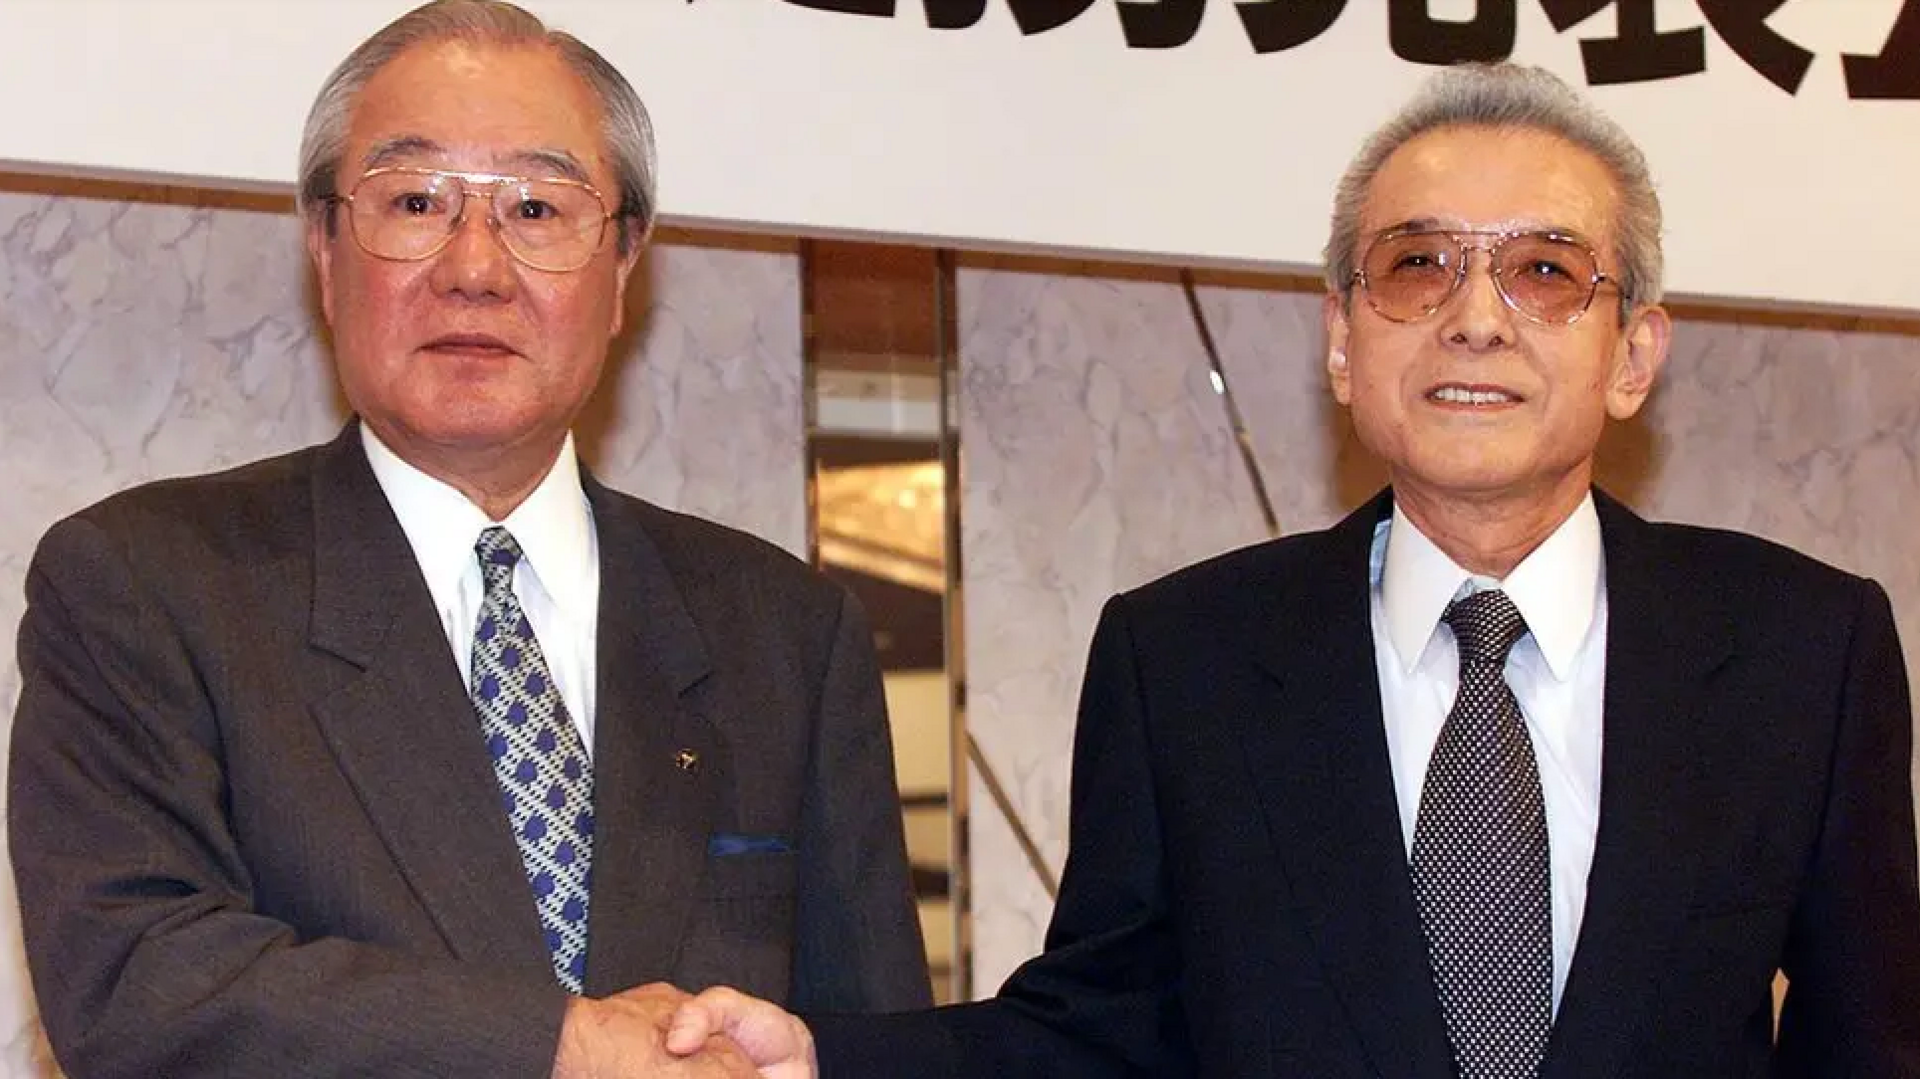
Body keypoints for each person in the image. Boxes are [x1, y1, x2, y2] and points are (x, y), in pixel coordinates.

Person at [666, 61, 1920, 1078]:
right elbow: (1102, 1024)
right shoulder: (1185, 655)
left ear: (1634, 353)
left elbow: (1868, 1041)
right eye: (1418, 265)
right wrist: (827, 1058)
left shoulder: (1804, 648)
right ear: (1340, 339)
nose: (1475, 316)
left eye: (1544, 271)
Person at [7, 2, 931, 1076]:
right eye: (414, 201)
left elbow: (873, 1036)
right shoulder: (148, 582)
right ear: (323, 245)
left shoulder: (783, 627)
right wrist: (565, 1041)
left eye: (538, 207)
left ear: (625, 262)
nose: (476, 267)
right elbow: (137, 982)